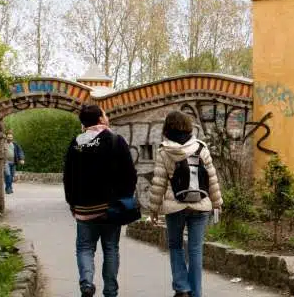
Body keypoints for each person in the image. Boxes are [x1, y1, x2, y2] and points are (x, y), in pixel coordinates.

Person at [63, 105, 137, 297]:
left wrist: (72, 203)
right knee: (111, 248)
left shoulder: (76, 143)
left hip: (84, 209)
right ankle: (111, 291)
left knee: (85, 247)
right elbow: (130, 174)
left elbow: (68, 177)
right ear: (100, 119)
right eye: (104, 113)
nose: (107, 116)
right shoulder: (115, 140)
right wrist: (124, 197)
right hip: (110, 208)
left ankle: (87, 284)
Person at [148, 111, 223, 297]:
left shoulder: (165, 151)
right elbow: (211, 178)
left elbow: (159, 183)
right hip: (201, 204)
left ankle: (182, 288)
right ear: (189, 126)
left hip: (176, 206)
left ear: (167, 127)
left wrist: (154, 209)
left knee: (175, 246)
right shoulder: (201, 147)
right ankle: (196, 292)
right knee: (196, 249)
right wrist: (217, 203)